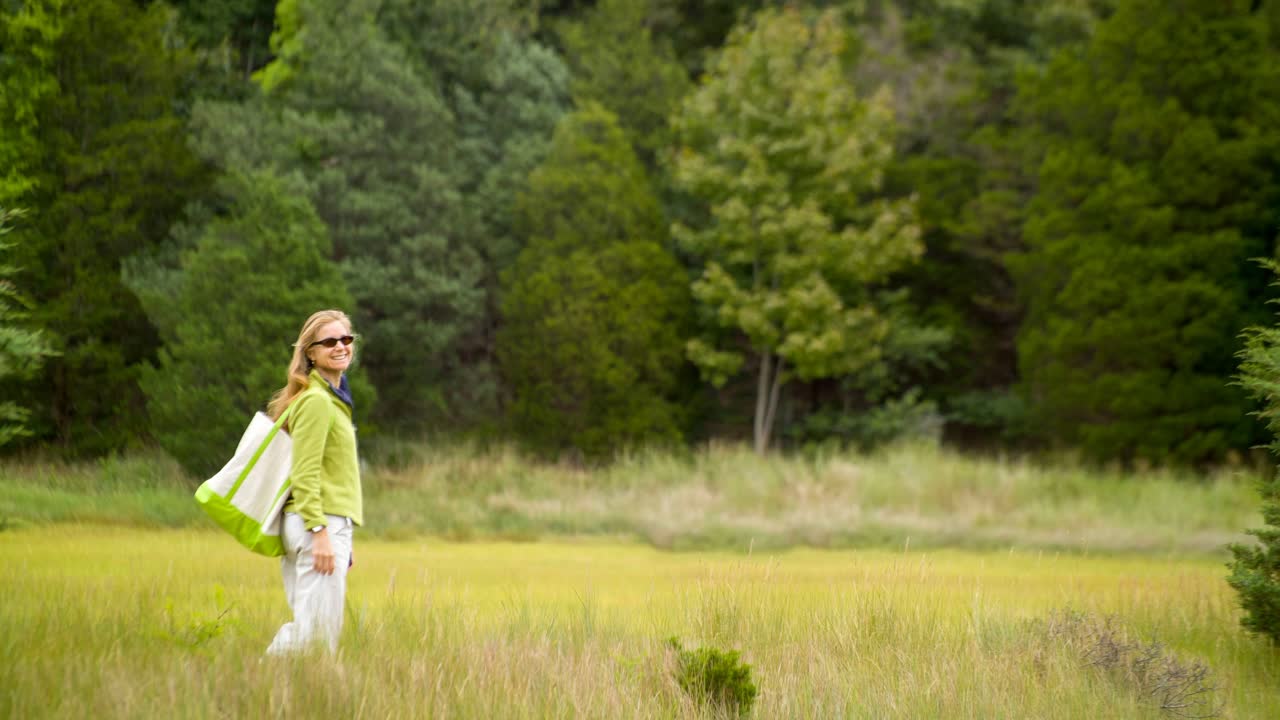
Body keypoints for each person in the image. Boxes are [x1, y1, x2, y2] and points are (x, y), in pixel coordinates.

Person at [264, 309, 363, 655]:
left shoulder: (330, 400)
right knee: (316, 636)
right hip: (316, 525)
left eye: (346, 339)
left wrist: (340, 536)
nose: (341, 346)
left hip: (323, 524)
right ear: (310, 352)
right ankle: (258, 682)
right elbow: (304, 474)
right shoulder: (318, 402)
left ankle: (288, 698)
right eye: (330, 341)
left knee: (314, 629)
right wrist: (321, 533)